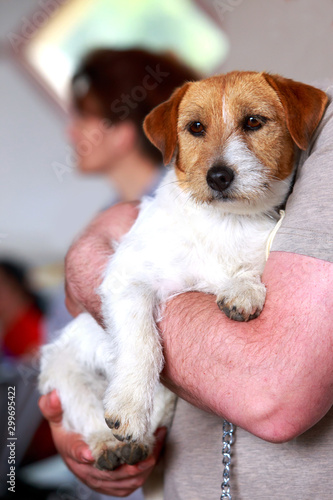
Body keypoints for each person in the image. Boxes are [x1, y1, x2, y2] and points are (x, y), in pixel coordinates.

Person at [39, 48, 199, 498]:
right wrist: (67, 429)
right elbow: (62, 345)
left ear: (124, 131)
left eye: (84, 118)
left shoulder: (185, 213)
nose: (70, 132)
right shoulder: (99, 224)